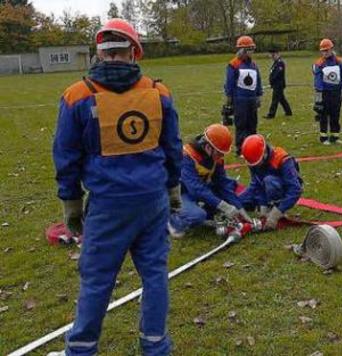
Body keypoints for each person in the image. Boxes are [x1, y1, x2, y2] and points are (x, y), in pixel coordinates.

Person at [51, 18, 182, 355]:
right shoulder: (159, 92)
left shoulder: (77, 95)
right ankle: (156, 345)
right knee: (155, 274)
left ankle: (81, 348)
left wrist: (71, 203)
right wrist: (173, 189)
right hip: (153, 199)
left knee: (97, 279)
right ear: (134, 52)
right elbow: (172, 146)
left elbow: (66, 155)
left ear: (99, 52)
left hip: (108, 203)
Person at [168, 124, 252, 237]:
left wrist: (239, 207)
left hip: (200, 189)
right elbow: (196, 189)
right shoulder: (187, 156)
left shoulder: (215, 155)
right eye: (219, 153)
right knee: (197, 215)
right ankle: (172, 220)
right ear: (208, 147)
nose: (221, 156)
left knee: (229, 190)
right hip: (180, 193)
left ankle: (199, 210)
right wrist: (224, 206)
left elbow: (222, 183)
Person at [238, 134, 303, 230]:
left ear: (264, 154)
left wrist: (276, 214)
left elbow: (295, 189)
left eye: (257, 163)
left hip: (280, 187)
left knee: (270, 181)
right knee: (240, 201)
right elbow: (257, 183)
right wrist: (262, 206)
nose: (255, 166)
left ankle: (276, 207)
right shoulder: (254, 161)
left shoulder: (282, 159)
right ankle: (264, 207)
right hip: (265, 187)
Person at [223, 36, 263, 155]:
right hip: (239, 100)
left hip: (251, 100)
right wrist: (229, 99)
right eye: (250, 49)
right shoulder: (233, 65)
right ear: (243, 50)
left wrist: (258, 96)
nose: (252, 52)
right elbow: (229, 83)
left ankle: (253, 147)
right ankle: (240, 149)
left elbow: (258, 81)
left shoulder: (254, 65)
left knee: (252, 124)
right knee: (241, 125)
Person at [312, 38, 342, 145]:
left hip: (336, 93)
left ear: (331, 49)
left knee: (335, 115)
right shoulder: (319, 64)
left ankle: (335, 136)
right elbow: (318, 80)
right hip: (325, 94)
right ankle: (323, 137)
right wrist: (318, 96)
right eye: (323, 51)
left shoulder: (338, 62)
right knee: (324, 116)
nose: (325, 52)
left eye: (327, 50)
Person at [263, 47, 292, 119]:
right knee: (282, 99)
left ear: (277, 54)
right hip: (276, 84)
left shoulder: (280, 63)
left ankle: (271, 114)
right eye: (271, 55)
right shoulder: (275, 63)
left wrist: (272, 81)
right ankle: (288, 112)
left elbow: (277, 74)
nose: (272, 57)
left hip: (278, 85)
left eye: (273, 55)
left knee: (275, 100)